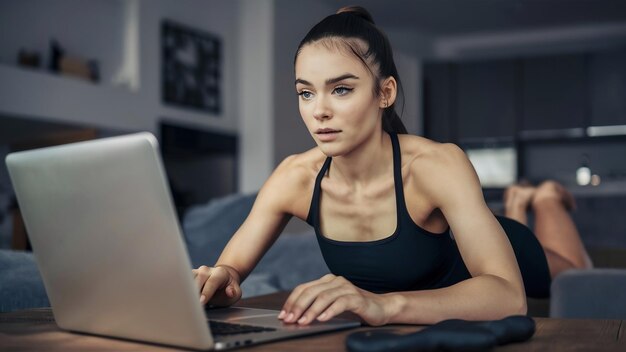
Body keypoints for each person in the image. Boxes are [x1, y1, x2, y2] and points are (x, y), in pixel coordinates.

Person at [193, 6, 591, 326]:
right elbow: (232, 267)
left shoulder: (435, 165)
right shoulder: (294, 178)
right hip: (434, 301)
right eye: (305, 93)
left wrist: (383, 307)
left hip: (505, 260)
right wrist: (220, 279)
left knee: (574, 273)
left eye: (341, 89)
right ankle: (520, 203)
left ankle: (546, 198)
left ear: (385, 93)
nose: (320, 111)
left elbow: (508, 297)